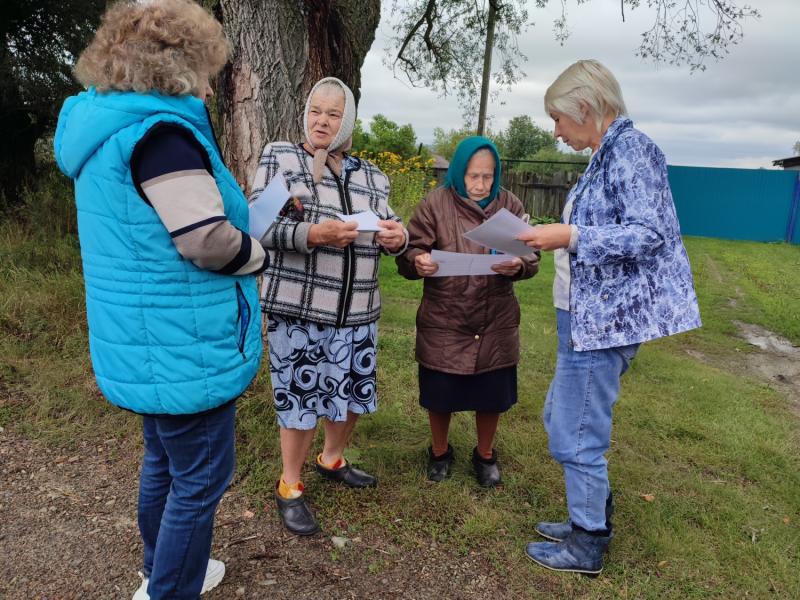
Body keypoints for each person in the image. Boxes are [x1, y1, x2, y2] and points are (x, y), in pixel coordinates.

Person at [54, 1, 267, 597]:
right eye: (206, 66)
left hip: (144, 337)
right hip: (183, 342)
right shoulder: (164, 134)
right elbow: (205, 240)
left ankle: (161, 570)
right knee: (199, 477)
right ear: (180, 64)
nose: (209, 81)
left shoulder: (106, 126)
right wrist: (258, 254)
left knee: (166, 463)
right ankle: (171, 587)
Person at [518, 60, 701, 575]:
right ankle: (591, 509)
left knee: (576, 433)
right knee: (561, 419)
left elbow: (650, 233)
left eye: (558, 118)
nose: (556, 131)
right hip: (580, 315)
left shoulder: (632, 150)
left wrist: (569, 236)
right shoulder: (606, 154)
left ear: (585, 108)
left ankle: (587, 540)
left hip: (604, 323)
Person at [249, 77, 408, 535]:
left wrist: (399, 238)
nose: (322, 121)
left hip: (358, 312)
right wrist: (313, 235)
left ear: (348, 121)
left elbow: (391, 227)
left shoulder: (372, 175)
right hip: (299, 311)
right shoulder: (281, 159)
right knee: (299, 399)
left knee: (352, 395)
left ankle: (333, 459)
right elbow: (257, 227)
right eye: (316, 111)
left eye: (333, 114)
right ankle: (290, 485)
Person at [395, 137, 539, 487]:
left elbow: (533, 256)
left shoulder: (510, 204)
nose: (480, 184)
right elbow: (409, 250)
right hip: (447, 315)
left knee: (492, 393)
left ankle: (485, 455)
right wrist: (419, 261)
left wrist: (518, 265)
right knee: (440, 392)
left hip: (496, 318)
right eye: (474, 176)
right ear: (459, 171)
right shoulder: (434, 203)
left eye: (488, 177)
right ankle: (440, 452)